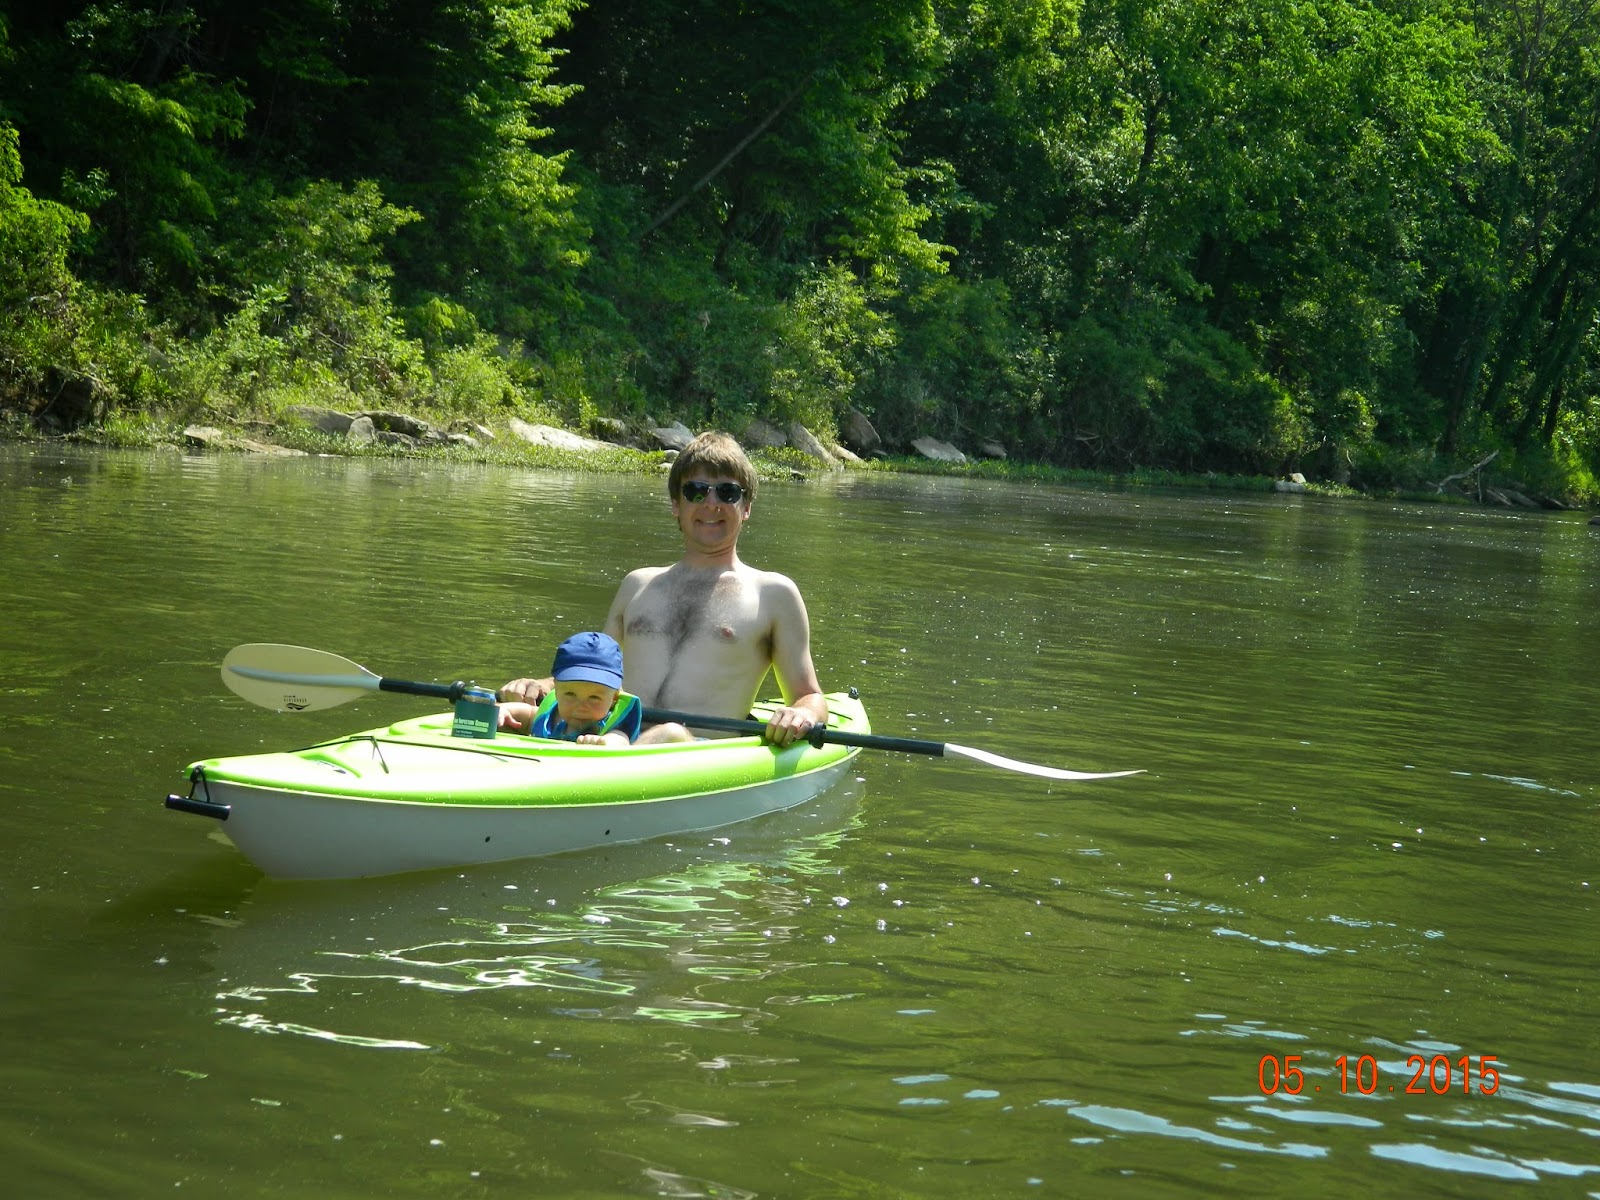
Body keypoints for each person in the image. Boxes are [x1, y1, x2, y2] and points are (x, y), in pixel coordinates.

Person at [502, 431, 827, 747]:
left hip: (695, 752)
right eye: (696, 491)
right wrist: (540, 685)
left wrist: (801, 714)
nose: (711, 503)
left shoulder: (774, 594)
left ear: (746, 507)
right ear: (676, 504)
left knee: (670, 733)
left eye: (727, 493)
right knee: (503, 714)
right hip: (609, 738)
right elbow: (594, 671)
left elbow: (809, 696)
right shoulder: (637, 584)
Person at [498, 631, 642, 747]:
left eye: (594, 698)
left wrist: (604, 742)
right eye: (570, 694)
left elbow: (620, 740)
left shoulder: (615, 728)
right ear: (557, 691)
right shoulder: (551, 716)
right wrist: (501, 710)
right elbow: (527, 713)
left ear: (614, 699)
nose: (581, 707)